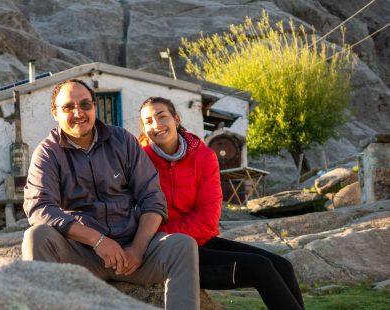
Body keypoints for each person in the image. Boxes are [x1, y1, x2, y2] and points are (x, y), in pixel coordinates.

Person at [21, 80, 200, 310]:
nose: (78, 113)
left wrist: (137, 249)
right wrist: (97, 240)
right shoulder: (47, 153)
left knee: (182, 245)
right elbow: (39, 208)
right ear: (55, 113)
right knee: (37, 236)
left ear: (95, 107)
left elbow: (152, 198)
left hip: (133, 252)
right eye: (68, 107)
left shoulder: (123, 140)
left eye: (85, 104)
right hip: (81, 255)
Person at [138, 97, 305, 310]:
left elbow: (208, 219)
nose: (157, 125)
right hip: (168, 251)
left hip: (199, 240)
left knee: (283, 266)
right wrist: (164, 238)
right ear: (144, 128)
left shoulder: (203, 156)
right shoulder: (139, 161)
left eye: (162, 117)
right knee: (259, 267)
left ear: (176, 119)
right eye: (149, 121)